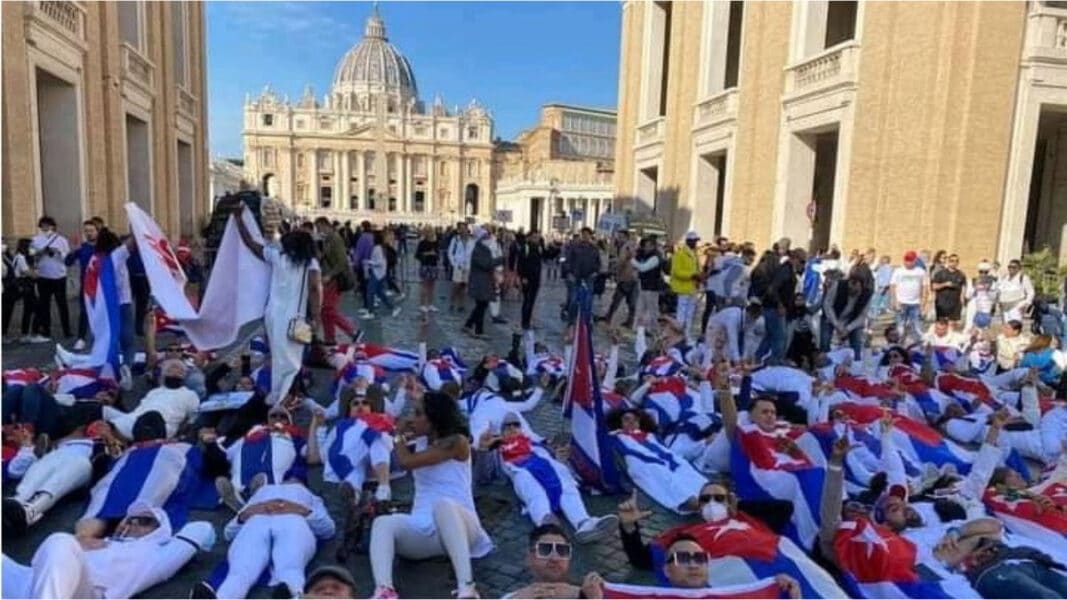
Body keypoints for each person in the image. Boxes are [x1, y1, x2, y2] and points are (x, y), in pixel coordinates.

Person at [368, 391, 493, 599]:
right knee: (382, 523)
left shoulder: (458, 442)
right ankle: (384, 590)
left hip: (461, 525)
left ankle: (467, 587)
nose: (412, 418)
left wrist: (398, 434)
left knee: (443, 506)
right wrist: (399, 436)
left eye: (418, 414)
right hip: (424, 526)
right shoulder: (421, 440)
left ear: (434, 418)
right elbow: (394, 457)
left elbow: (406, 462)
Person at [1, 502, 215, 599]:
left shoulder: (157, 554)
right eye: (129, 519)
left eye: (144, 521)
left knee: (60, 541)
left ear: (160, 532)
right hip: (32, 582)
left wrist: (167, 537)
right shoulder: (101, 542)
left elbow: (203, 529)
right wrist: (83, 543)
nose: (132, 523)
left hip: (86, 594)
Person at [233, 206, 322, 403]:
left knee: (278, 356)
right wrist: (316, 317)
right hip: (297, 319)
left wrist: (239, 221)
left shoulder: (277, 257)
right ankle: (286, 396)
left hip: (273, 315)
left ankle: (283, 393)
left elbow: (251, 244)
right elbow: (315, 290)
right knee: (294, 358)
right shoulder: (310, 264)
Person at [211, 480, 336, 599]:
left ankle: (293, 595)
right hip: (256, 522)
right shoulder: (261, 492)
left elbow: (328, 529)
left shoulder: (309, 495)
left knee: (290, 571)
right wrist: (249, 512)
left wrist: (299, 509)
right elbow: (229, 532)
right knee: (240, 573)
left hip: (294, 521)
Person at [504, 524, 604, 599]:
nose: (555, 558)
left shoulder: (594, 593)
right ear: (530, 557)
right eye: (545, 550)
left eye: (562, 550)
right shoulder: (515, 598)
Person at [314, 218, 358, 346]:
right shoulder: (328, 239)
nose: (318, 231)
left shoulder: (335, 239)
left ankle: (351, 331)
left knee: (328, 309)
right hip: (329, 278)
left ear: (324, 225)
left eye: (319, 228)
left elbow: (342, 261)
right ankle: (330, 338)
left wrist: (330, 275)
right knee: (325, 310)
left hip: (335, 279)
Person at [30, 216, 72, 342]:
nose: (45, 227)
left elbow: (67, 256)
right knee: (44, 305)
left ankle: (67, 330)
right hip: (43, 276)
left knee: (62, 304)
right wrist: (41, 252)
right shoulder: (35, 239)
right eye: (43, 225)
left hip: (59, 276)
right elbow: (31, 255)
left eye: (48, 225)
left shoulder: (62, 240)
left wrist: (57, 252)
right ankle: (46, 330)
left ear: (53, 226)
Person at [64, 219, 99, 349]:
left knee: (102, 312)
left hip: (102, 285)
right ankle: (81, 338)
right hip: (86, 284)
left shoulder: (103, 247)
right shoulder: (82, 247)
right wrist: (73, 251)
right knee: (84, 312)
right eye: (86, 231)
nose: (89, 233)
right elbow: (67, 262)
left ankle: (102, 338)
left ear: (97, 231)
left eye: (91, 231)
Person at [821, 272, 873, 360]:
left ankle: (856, 362)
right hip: (831, 316)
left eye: (856, 290)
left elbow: (863, 316)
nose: (852, 292)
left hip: (852, 319)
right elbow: (827, 305)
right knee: (825, 342)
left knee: (856, 341)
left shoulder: (867, 294)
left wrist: (848, 329)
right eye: (850, 289)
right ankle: (825, 362)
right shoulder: (838, 285)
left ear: (862, 287)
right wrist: (837, 325)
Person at [463, 226, 502, 339]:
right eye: (485, 237)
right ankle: (478, 330)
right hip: (479, 282)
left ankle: (468, 324)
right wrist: (500, 260)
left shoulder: (484, 248)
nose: (488, 238)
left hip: (483, 281)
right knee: (481, 306)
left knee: (481, 305)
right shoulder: (478, 249)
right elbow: (486, 264)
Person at [563, 227, 601, 325]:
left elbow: (598, 263)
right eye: (583, 234)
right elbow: (568, 261)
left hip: (589, 278)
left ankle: (585, 322)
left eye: (587, 234)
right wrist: (569, 273)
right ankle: (571, 321)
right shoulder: (574, 247)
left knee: (588, 301)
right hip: (575, 277)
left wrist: (595, 272)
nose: (585, 236)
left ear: (590, 236)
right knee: (573, 300)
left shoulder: (594, 248)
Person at [2, 239, 38, 343]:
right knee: (32, 309)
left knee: (9, 312)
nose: (5, 245)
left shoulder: (10, 256)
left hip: (14, 287)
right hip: (17, 286)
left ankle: (6, 335)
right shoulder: (20, 257)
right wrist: (36, 274)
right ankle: (27, 334)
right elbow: (27, 272)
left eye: (5, 242)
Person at [891, 250, 929, 346]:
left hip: (915, 303)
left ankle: (918, 346)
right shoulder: (898, 271)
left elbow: (925, 287)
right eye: (906, 260)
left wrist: (923, 304)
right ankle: (899, 345)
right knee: (900, 327)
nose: (908, 262)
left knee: (916, 327)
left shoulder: (920, 272)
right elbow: (893, 286)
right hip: (901, 302)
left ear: (915, 261)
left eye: (910, 260)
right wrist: (895, 301)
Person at [669, 232, 702, 340]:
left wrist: (699, 277)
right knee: (681, 314)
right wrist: (692, 275)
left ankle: (686, 335)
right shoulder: (680, 254)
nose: (695, 243)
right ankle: (678, 336)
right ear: (688, 241)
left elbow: (697, 269)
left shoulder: (694, 254)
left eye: (696, 241)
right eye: (694, 241)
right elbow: (676, 272)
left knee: (690, 314)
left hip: (692, 288)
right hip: (683, 288)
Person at [601, 229, 637, 328]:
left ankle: (613, 318)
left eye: (621, 237)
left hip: (628, 278)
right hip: (628, 277)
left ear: (626, 237)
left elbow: (623, 261)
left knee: (623, 300)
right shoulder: (625, 246)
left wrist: (614, 269)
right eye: (619, 236)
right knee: (625, 300)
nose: (619, 238)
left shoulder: (627, 247)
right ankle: (627, 320)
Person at [517, 230, 544, 332]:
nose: (536, 239)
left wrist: (556, 248)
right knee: (527, 300)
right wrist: (523, 277)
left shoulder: (539, 248)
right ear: (530, 238)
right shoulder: (525, 248)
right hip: (527, 279)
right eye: (534, 237)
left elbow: (547, 255)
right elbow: (520, 264)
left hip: (536, 279)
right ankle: (524, 322)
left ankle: (528, 321)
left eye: (538, 237)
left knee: (532, 301)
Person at [931, 253, 967, 324]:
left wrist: (962, 299)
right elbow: (934, 286)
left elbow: (964, 287)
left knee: (952, 324)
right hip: (942, 304)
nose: (954, 263)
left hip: (955, 304)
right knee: (941, 324)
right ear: (948, 261)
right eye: (952, 261)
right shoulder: (940, 273)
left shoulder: (961, 275)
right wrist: (945, 284)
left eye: (956, 261)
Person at [448, 223, 474, 313]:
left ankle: (461, 304)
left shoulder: (472, 241)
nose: (463, 231)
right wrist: (454, 263)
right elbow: (450, 252)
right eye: (461, 229)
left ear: (467, 229)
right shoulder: (455, 239)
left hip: (468, 266)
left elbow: (473, 253)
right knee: (456, 285)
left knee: (464, 286)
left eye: (464, 228)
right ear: (459, 230)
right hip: (458, 265)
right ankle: (452, 302)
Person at [416, 225, 441, 314]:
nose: (430, 233)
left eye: (431, 231)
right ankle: (422, 304)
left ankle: (430, 304)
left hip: (433, 265)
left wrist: (436, 255)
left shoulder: (436, 242)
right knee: (424, 285)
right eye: (428, 231)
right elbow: (417, 255)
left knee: (432, 286)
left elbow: (438, 254)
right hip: (425, 265)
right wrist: (426, 254)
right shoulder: (422, 243)